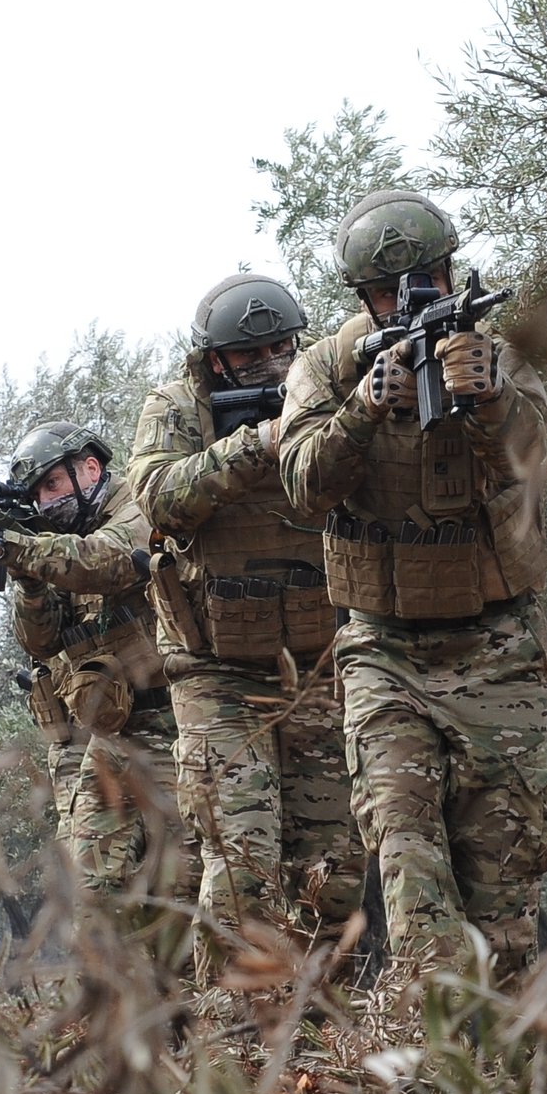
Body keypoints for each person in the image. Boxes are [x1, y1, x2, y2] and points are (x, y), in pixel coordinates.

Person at [277, 190, 547, 979]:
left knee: (504, 890)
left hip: (495, 645)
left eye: (428, 279)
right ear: (363, 298)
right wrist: (364, 410)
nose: (412, 300)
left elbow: (537, 461)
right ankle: (432, 1066)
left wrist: (489, 401)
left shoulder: (495, 355)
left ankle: (508, 1081)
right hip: (384, 650)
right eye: (386, 292)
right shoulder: (326, 370)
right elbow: (302, 483)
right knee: (407, 860)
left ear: (451, 272)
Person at [132, 274, 367, 976]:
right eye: (253, 353)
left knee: (336, 869)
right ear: (215, 363)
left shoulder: (322, 389)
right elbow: (159, 497)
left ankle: (326, 1034)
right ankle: (230, 1033)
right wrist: (258, 443)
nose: (273, 364)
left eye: (283, 347)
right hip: (218, 676)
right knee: (243, 861)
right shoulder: (178, 409)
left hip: (318, 667)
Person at [0, 421, 191, 925]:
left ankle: (202, 999)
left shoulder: (138, 505)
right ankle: (125, 998)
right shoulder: (55, 543)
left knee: (182, 886)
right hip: (106, 739)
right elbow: (40, 640)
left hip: (173, 726)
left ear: (90, 469)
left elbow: (111, 562)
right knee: (93, 891)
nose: (46, 500)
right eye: (37, 493)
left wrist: (6, 546)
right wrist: (28, 580)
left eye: (52, 484)